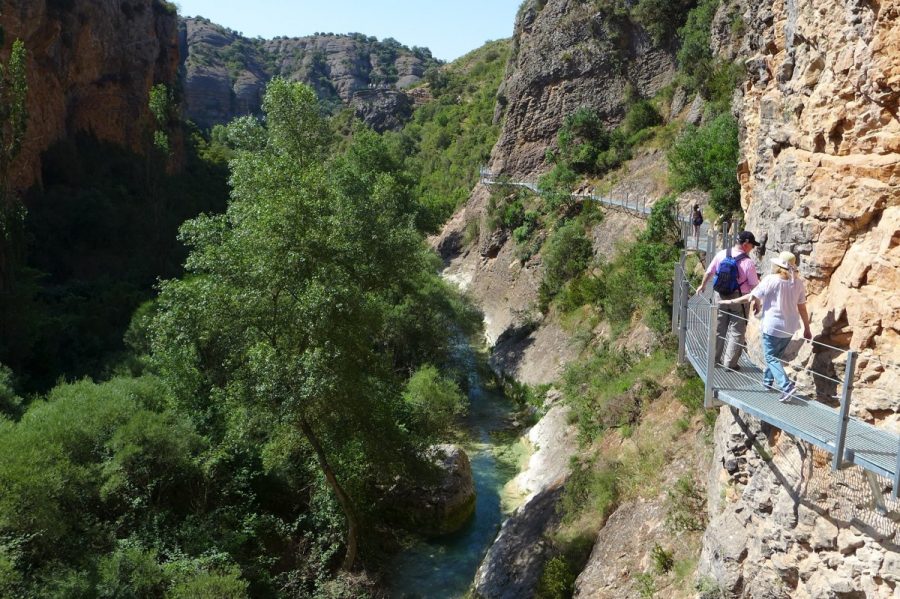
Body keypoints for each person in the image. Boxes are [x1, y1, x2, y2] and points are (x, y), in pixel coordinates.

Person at [719, 251, 812, 401]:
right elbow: (802, 307)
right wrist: (807, 328)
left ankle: (786, 386)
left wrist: (729, 302)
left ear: (778, 265)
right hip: (790, 328)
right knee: (776, 356)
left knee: (770, 357)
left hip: (773, 326)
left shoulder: (771, 280)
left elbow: (751, 297)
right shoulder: (798, 283)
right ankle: (768, 382)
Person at [697, 230, 761, 370]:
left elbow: (709, 271)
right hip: (739, 299)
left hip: (719, 296)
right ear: (745, 244)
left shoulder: (722, 254)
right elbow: (755, 286)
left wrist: (702, 285)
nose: (752, 248)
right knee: (737, 331)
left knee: (718, 328)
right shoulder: (748, 262)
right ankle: (730, 364)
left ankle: (713, 360)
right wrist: (757, 302)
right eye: (752, 245)